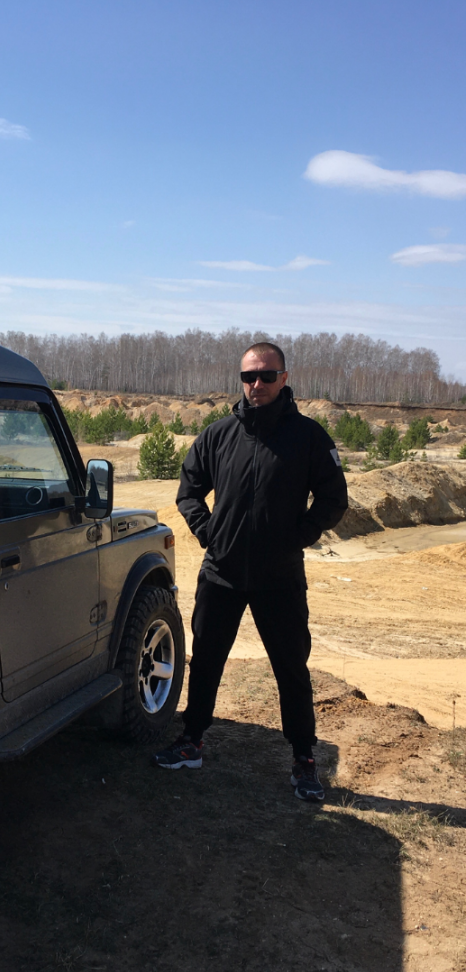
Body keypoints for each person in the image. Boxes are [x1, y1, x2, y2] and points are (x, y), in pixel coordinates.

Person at [152, 341, 348, 801]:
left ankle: (304, 759)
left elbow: (334, 498)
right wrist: (209, 533)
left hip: (279, 577)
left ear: (284, 378)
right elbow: (188, 490)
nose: (256, 384)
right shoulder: (219, 434)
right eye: (248, 376)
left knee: (291, 668)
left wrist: (299, 536)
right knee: (207, 660)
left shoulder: (308, 437)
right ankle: (191, 741)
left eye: (265, 375)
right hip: (221, 572)